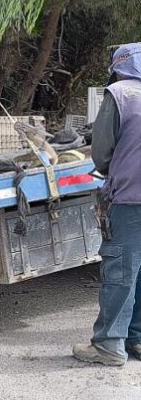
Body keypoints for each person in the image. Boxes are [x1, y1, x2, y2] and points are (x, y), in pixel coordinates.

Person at [73, 42, 141, 366]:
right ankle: (137, 339)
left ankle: (109, 345)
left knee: (121, 271)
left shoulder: (120, 94)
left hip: (130, 200)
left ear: (119, 65)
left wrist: (109, 171)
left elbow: (101, 150)